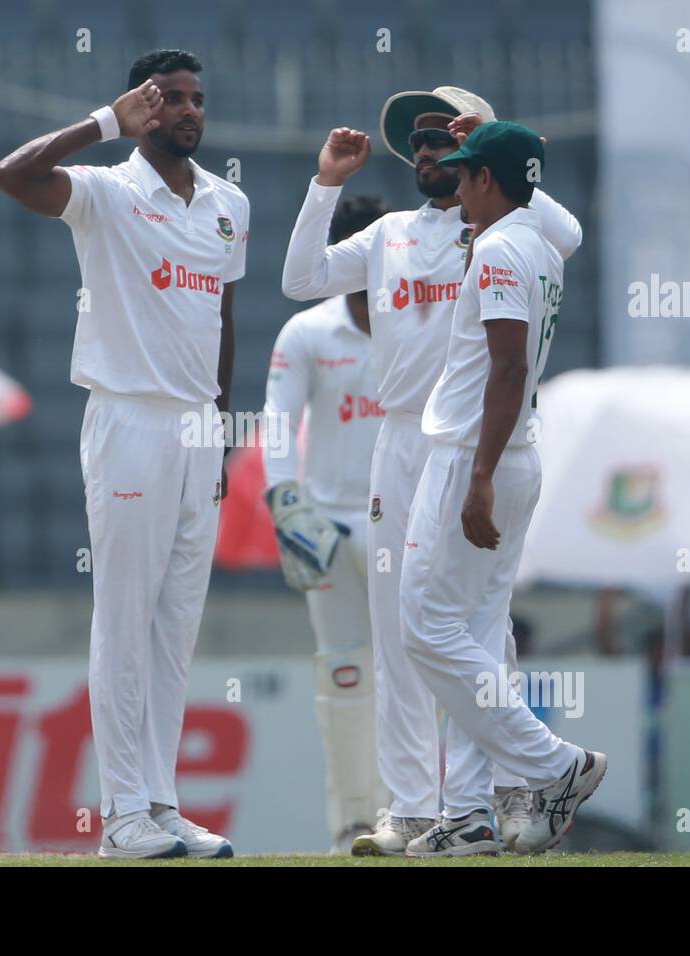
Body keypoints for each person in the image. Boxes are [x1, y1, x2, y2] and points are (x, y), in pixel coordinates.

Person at [281, 87, 584, 856]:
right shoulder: (389, 235)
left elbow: (568, 232)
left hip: (476, 441)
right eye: (413, 139)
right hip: (405, 441)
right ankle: (416, 807)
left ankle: (482, 796)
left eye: (440, 136)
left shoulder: (511, 230)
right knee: (400, 626)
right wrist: (326, 184)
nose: (423, 150)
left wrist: (494, 144)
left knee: (479, 629)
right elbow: (300, 278)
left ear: (475, 153)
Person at [0, 49, 248, 859]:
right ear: (142, 107)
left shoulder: (228, 204)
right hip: (128, 420)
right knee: (125, 619)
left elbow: (223, 321)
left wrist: (222, 431)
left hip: (196, 427)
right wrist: (104, 123)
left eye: (196, 99)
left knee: (176, 624)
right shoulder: (105, 191)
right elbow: (12, 174)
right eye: (169, 99)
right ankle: (121, 813)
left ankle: (163, 803)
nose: (187, 110)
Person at [399, 121, 605, 856]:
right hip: (517, 454)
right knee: (481, 632)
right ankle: (468, 814)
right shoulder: (541, 245)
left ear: (489, 180)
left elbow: (508, 370)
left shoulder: (497, 248)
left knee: (423, 627)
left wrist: (477, 475)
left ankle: (555, 765)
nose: (455, 187)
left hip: (472, 455)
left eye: (464, 175)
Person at [264, 196, 391, 852]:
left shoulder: (423, 321)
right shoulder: (307, 332)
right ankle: (353, 825)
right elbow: (277, 421)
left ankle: (416, 815)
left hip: (403, 524)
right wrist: (286, 503)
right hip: (331, 529)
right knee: (345, 675)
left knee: (412, 672)